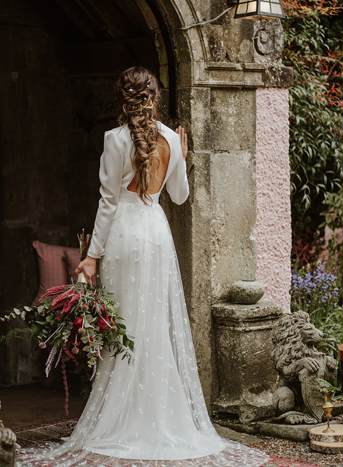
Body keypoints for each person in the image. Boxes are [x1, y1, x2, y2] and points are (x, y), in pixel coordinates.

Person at [19, 67, 269, 466]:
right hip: (156, 233)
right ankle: (159, 417)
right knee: (153, 325)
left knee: (125, 326)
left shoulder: (114, 139)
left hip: (123, 237)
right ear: (155, 96)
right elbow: (180, 197)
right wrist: (183, 159)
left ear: (123, 99)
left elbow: (108, 202)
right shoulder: (172, 139)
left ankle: (124, 419)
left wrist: (91, 255)